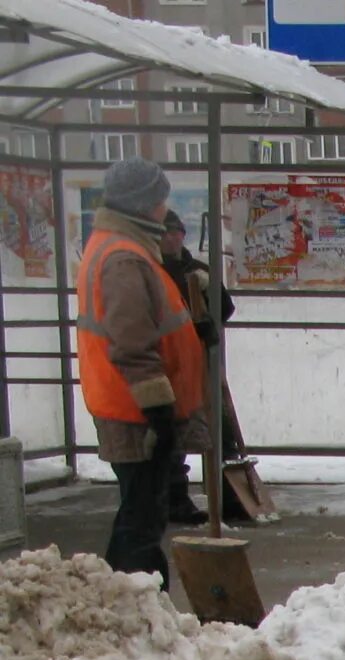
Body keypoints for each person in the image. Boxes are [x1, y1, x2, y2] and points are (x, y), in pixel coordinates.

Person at [77, 156, 204, 586]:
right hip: (135, 412)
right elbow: (132, 344)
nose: (164, 208)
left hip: (129, 406)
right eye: (159, 198)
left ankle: (120, 598)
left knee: (141, 512)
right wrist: (159, 412)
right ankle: (138, 598)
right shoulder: (123, 258)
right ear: (143, 203)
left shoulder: (125, 247)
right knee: (143, 519)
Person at [158, 209, 249, 524]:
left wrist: (209, 291)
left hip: (202, 364)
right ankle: (174, 500)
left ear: (183, 235)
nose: (170, 238)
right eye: (164, 232)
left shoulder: (196, 270)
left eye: (176, 232)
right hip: (168, 366)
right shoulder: (151, 273)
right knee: (174, 433)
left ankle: (230, 495)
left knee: (219, 432)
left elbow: (224, 310)